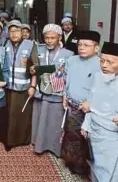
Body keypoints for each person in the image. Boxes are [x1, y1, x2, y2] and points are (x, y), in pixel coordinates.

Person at [80, 42, 118, 182]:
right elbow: (91, 101)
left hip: (117, 136)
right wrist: (86, 124)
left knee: (115, 174)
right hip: (96, 132)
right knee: (97, 169)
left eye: (110, 62)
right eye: (102, 60)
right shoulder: (97, 76)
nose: (104, 65)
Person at [60, 30, 101, 175]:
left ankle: (88, 167)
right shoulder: (72, 60)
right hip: (72, 105)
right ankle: (74, 163)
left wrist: (91, 103)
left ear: (96, 48)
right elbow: (67, 80)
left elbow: (102, 89)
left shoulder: (101, 64)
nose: (82, 47)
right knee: (72, 135)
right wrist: (65, 95)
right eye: (79, 44)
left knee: (87, 139)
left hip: (90, 109)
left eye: (86, 45)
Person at [32, 24, 74, 157]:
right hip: (41, 92)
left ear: (59, 38)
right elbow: (33, 67)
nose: (49, 41)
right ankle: (39, 144)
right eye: (47, 38)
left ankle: (54, 147)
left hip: (56, 94)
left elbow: (70, 75)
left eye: (52, 38)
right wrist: (32, 69)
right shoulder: (39, 50)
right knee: (40, 119)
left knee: (54, 122)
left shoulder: (69, 54)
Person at [4, 20, 38, 150]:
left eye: (16, 31)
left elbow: (35, 66)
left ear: (22, 32)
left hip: (24, 87)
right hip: (8, 87)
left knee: (23, 115)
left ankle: (23, 139)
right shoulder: (5, 43)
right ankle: (10, 141)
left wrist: (33, 86)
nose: (14, 34)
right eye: (11, 31)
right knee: (9, 116)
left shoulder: (31, 45)